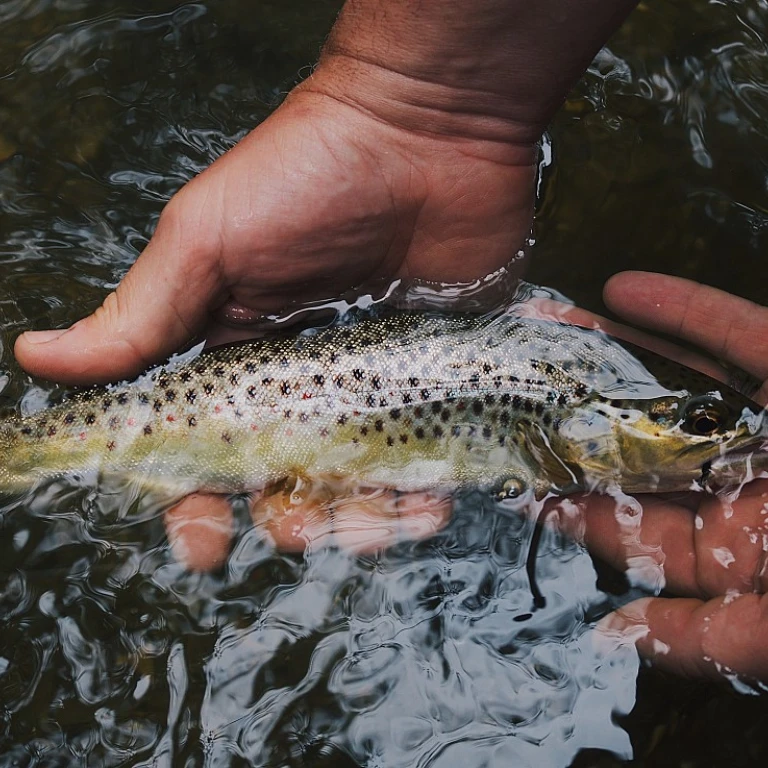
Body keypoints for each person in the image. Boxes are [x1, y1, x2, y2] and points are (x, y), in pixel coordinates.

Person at [11, 0, 768, 683]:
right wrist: (409, 108)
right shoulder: (561, 407)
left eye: (700, 427)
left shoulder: (560, 402)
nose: (719, 435)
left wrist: (414, 103)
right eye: (697, 425)